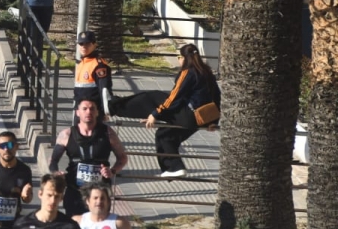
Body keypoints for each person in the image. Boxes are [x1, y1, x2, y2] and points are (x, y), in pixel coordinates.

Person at [109, 43, 220, 178]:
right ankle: (175, 167)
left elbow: (174, 97)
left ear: (184, 58)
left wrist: (155, 114)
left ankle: (112, 106)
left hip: (191, 116)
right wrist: (213, 121)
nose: (179, 60)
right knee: (164, 135)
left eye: (179, 56)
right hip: (202, 119)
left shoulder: (188, 73)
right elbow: (217, 97)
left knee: (153, 97)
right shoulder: (207, 72)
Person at [50, 99, 127, 216]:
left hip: (99, 193)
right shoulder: (66, 134)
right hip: (75, 190)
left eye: (92, 109)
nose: (88, 112)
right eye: (84, 109)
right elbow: (53, 160)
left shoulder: (108, 133)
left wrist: (112, 171)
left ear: (97, 112)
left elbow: (122, 158)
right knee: (75, 226)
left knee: (97, 227)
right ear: (77, 112)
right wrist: (56, 173)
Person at [72, 31, 112, 115]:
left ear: (94, 44)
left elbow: (104, 90)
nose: (84, 46)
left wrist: (104, 112)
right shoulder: (81, 63)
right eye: (81, 44)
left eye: (87, 44)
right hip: (80, 110)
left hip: (93, 112)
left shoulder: (99, 65)